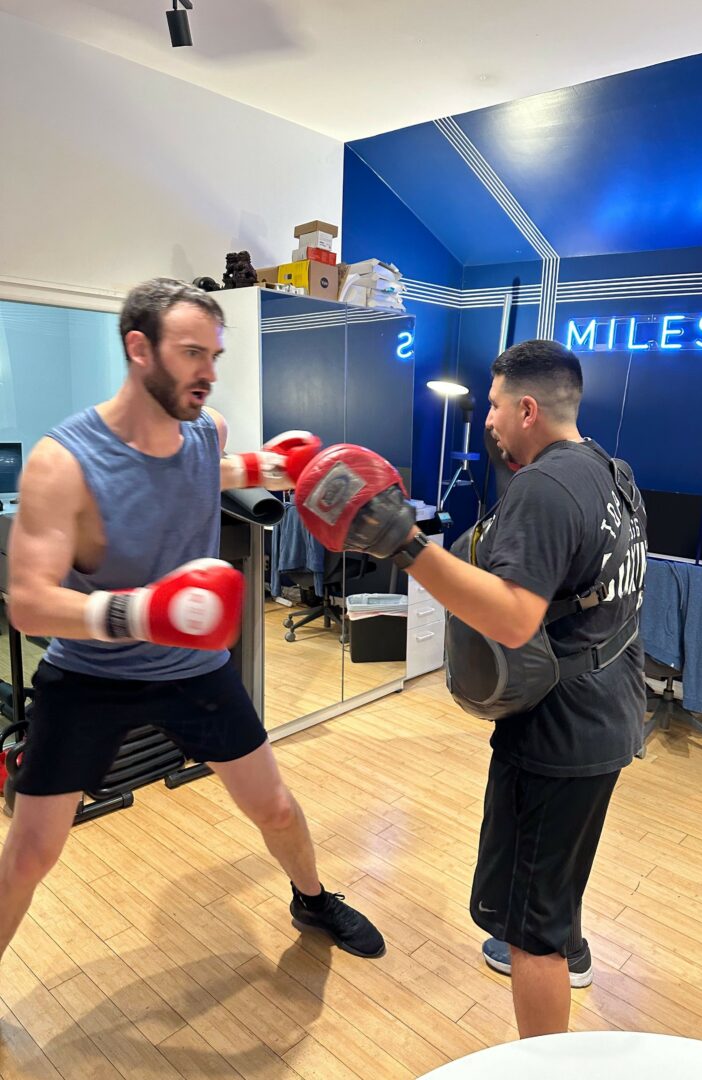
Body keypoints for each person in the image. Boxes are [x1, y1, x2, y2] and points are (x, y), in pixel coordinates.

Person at [0, 277, 384, 966]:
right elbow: (28, 602)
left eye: (214, 355)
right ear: (138, 348)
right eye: (190, 354)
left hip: (193, 672)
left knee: (275, 807)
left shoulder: (207, 431)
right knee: (30, 853)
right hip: (89, 676)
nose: (208, 372)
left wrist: (279, 468)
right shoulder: (64, 462)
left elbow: (207, 468)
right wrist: (146, 611)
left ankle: (312, 899)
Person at [294, 339, 647, 1036]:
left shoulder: (544, 489)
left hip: (557, 735)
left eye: (493, 405)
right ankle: (567, 939)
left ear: (526, 409)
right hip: (609, 708)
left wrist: (405, 545)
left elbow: (513, 620)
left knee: (530, 938)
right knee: (555, 875)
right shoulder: (611, 472)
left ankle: (542, 1039)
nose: (487, 419)